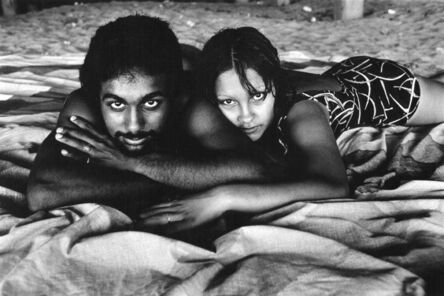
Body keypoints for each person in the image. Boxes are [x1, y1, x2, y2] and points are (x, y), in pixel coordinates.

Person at [137, 26, 444, 233]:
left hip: (382, 87)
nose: (245, 116)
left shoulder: (301, 112)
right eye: (228, 102)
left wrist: (223, 197)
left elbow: (332, 185)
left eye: (257, 96)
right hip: (333, 77)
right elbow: (188, 55)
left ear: (274, 85)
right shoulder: (217, 83)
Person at [26, 17, 279, 219]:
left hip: (189, 67)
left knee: (195, 62)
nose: (134, 124)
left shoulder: (193, 107)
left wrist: (137, 164)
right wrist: (181, 178)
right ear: (95, 96)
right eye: (116, 104)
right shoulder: (84, 105)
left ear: (177, 96)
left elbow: (257, 169)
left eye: (151, 103)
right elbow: (43, 192)